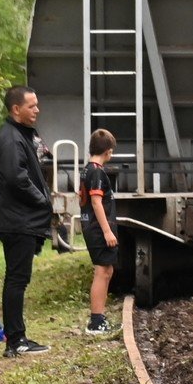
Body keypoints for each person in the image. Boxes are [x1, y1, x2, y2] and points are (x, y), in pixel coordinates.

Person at [0, 85, 51, 357]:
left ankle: (17, 337)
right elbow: (16, 178)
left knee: (18, 279)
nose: (37, 110)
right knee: (17, 279)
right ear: (16, 109)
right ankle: (16, 340)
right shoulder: (10, 137)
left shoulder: (19, 134)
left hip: (19, 219)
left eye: (37, 104)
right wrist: (42, 200)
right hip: (17, 220)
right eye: (31, 105)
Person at [80, 129, 119, 335]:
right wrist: (107, 231)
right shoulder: (97, 172)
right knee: (102, 272)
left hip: (91, 226)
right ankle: (96, 321)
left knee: (106, 271)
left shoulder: (87, 169)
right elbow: (96, 202)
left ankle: (100, 317)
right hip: (97, 228)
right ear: (108, 151)